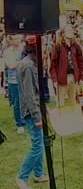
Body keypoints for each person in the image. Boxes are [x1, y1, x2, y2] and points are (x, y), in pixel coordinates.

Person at [15, 36, 48, 188]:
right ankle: (22, 176)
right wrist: (37, 116)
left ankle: (38, 173)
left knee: (39, 141)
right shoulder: (27, 65)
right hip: (31, 111)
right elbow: (29, 94)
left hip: (34, 109)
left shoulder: (31, 62)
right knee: (38, 145)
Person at [50, 25, 83, 107]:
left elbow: (81, 63)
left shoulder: (76, 46)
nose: (70, 32)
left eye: (71, 30)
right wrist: (54, 80)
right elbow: (53, 65)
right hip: (62, 78)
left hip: (74, 76)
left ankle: (72, 119)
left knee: (73, 102)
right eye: (68, 30)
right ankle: (61, 119)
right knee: (60, 104)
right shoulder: (58, 46)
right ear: (63, 34)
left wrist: (82, 77)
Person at [4, 35, 25, 133]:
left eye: (18, 38)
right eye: (15, 39)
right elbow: (11, 65)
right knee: (17, 103)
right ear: (11, 40)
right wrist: (23, 62)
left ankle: (26, 120)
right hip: (14, 81)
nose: (18, 41)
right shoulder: (7, 52)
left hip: (25, 79)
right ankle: (19, 124)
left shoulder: (23, 49)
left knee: (26, 101)